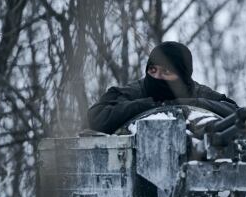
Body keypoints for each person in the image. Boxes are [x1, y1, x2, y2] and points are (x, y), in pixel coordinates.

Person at [88, 41, 237, 134]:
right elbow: (95, 117)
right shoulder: (135, 91)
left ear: (182, 76)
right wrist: (146, 106)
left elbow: (236, 114)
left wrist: (191, 104)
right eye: (153, 70)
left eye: (166, 71)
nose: (157, 77)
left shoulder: (197, 92)